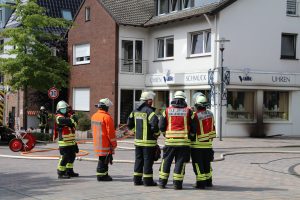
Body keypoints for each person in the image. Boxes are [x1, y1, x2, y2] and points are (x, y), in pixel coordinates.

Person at [158, 91, 196, 190]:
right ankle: (177, 184)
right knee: (180, 162)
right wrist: (191, 136)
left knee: (166, 161)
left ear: (174, 99)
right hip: (183, 142)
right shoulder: (189, 111)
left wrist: (165, 134)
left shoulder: (166, 110)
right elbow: (194, 127)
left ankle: (162, 183)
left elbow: (161, 126)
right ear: (184, 100)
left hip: (170, 142)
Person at [127, 91, 160, 186]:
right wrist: (157, 134)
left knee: (138, 160)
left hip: (138, 142)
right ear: (148, 100)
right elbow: (154, 125)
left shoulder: (135, 110)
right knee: (147, 161)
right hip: (148, 143)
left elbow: (129, 124)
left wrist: (135, 131)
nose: (152, 102)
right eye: (151, 100)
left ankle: (137, 180)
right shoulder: (149, 112)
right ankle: (147, 181)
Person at [191, 94, 216, 189]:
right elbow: (213, 127)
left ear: (197, 105)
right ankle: (209, 181)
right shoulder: (210, 114)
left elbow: (192, 129)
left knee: (198, 164)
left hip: (197, 145)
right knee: (207, 163)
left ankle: (200, 183)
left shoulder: (195, 115)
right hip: (208, 144)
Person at [91, 98, 117, 181]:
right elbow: (111, 133)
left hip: (97, 142)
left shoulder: (94, 116)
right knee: (103, 160)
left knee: (102, 158)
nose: (108, 108)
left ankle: (103, 174)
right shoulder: (107, 117)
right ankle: (102, 176)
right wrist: (114, 144)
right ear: (105, 107)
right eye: (108, 107)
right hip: (105, 142)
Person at [54, 100, 79, 179]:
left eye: (65, 108)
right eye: (63, 109)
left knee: (72, 156)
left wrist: (73, 120)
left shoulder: (68, 115)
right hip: (64, 142)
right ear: (59, 109)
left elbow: (75, 123)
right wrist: (73, 120)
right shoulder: (58, 117)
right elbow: (69, 121)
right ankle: (61, 172)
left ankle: (69, 171)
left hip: (71, 141)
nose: (64, 110)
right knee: (65, 157)